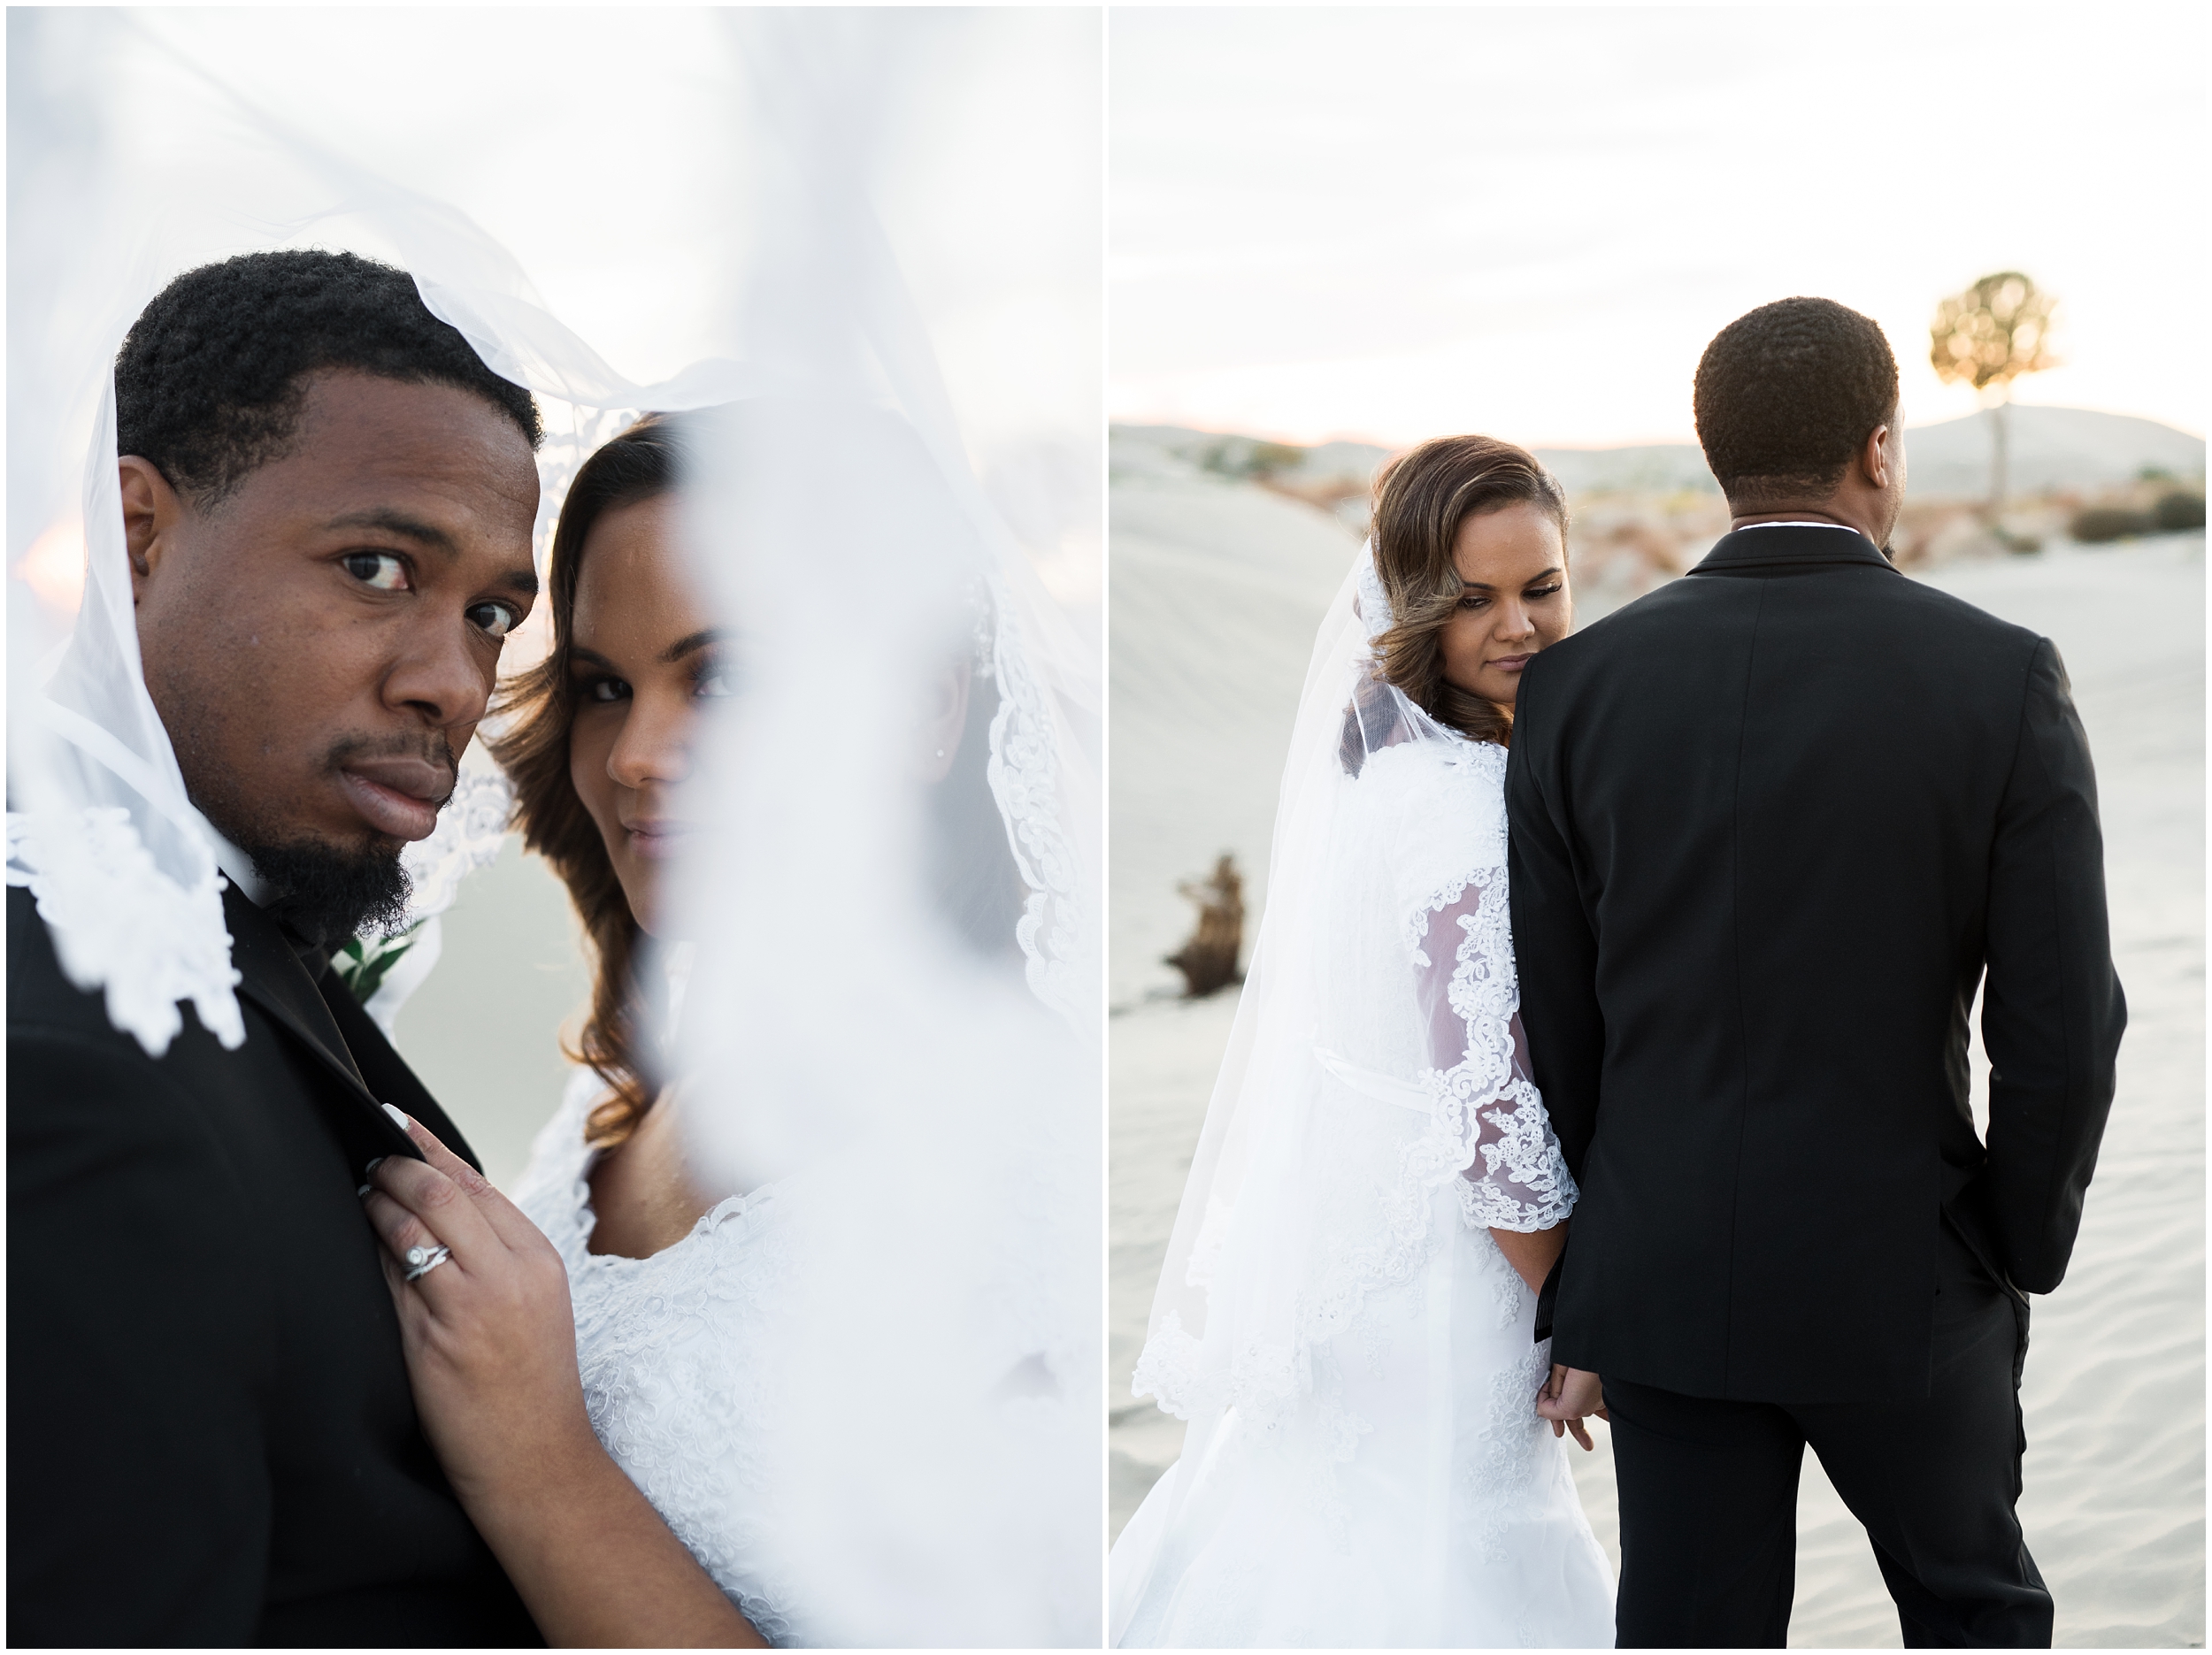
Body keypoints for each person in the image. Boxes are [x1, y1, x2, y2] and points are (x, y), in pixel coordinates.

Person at [7, 250, 764, 1648]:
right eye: (375, 568)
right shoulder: (57, 1068)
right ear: (133, 535)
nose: (453, 684)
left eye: (489, 614)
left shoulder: (213, 927)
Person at [357, 406, 1094, 1645]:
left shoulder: (1025, 1168)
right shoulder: (659, 1067)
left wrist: (541, 1468)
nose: (639, 756)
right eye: (603, 686)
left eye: (727, 677)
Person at [1511, 296, 2125, 1646]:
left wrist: (1609, 1258)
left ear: (1718, 459)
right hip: (1906, 1275)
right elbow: (2066, 1028)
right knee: (1973, 1617)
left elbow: (1555, 1027)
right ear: (1882, 450)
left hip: (1664, 1281)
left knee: (1692, 1631)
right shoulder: (1999, 679)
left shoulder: (1577, 693)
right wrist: (2008, 1250)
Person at [1107, 436, 1614, 1647]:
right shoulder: (1457, 809)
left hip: (1355, 1267)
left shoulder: (1390, 765)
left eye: (1540, 587)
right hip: (1453, 1279)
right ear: (1412, 606)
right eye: (1472, 599)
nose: (1519, 627)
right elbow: (1486, 1110)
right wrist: (1585, 1317)